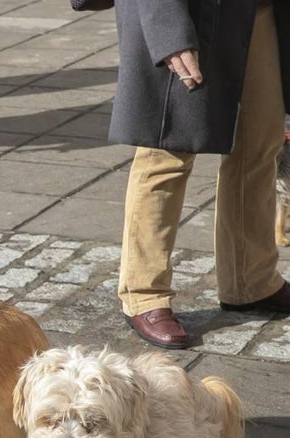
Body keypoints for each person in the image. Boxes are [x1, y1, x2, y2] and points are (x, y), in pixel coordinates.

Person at [112, 0, 290, 350]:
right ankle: (144, 294)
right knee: (167, 150)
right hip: (186, 10)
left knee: (260, 143)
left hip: (259, 10)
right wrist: (168, 30)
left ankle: (250, 281)